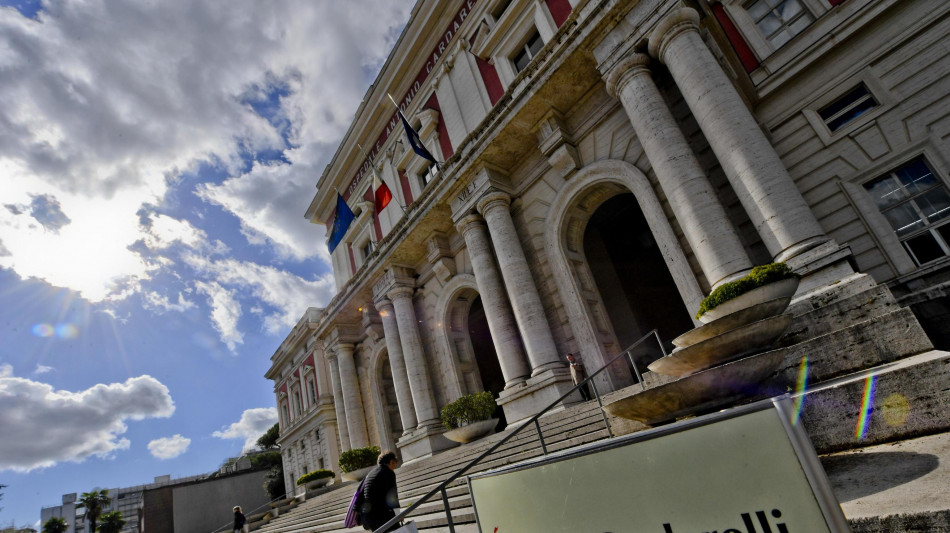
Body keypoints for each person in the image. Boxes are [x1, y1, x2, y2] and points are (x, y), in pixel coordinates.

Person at [361, 450, 401, 532]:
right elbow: (393, 496)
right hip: (381, 515)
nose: (394, 468)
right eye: (394, 465)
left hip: (369, 516)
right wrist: (399, 515)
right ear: (391, 462)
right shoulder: (388, 473)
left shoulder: (371, 473)